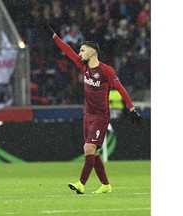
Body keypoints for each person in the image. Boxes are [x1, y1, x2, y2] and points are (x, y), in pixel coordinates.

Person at [42, 23, 141, 194]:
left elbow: (121, 89)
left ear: (92, 52)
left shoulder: (106, 70)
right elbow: (67, 51)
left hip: (100, 117)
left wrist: (132, 109)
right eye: (79, 51)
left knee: (88, 148)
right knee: (93, 153)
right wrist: (54, 36)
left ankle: (81, 184)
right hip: (87, 116)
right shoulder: (84, 67)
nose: (79, 54)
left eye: (82, 50)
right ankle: (106, 185)